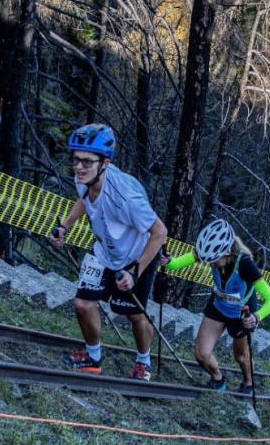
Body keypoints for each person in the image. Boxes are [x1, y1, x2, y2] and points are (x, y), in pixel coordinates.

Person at [51, 124, 168, 381]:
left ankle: (143, 362)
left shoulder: (126, 196)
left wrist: (136, 272)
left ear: (105, 163)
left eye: (86, 161)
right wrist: (65, 226)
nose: (79, 167)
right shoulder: (85, 178)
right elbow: (84, 198)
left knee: (134, 315)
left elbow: (160, 233)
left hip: (136, 257)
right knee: (82, 304)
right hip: (103, 252)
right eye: (76, 160)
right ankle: (93, 358)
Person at [163, 219, 270, 393]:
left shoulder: (245, 263)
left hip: (242, 313)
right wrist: (168, 260)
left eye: (214, 260)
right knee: (201, 354)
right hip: (218, 306)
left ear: (228, 253)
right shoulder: (209, 251)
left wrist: (256, 317)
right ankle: (218, 379)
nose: (210, 264)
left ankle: (248, 383)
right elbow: (178, 263)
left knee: (240, 356)